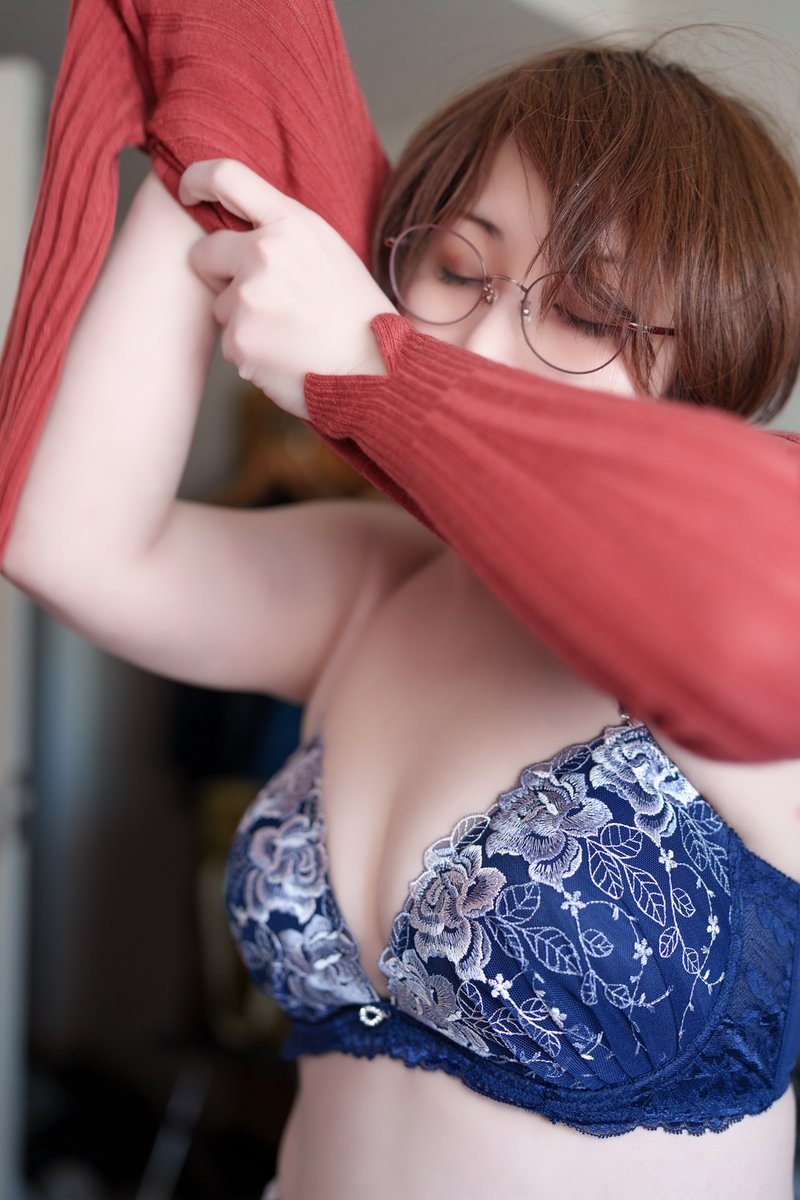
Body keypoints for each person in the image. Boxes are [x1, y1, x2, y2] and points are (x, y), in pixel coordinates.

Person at [3, 2, 800, 1198]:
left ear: (713, 368)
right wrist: (221, 141)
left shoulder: (749, 608)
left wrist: (381, 371)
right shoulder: (375, 584)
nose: (482, 347)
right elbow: (64, 541)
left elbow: (755, 619)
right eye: (457, 271)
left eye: (586, 312)